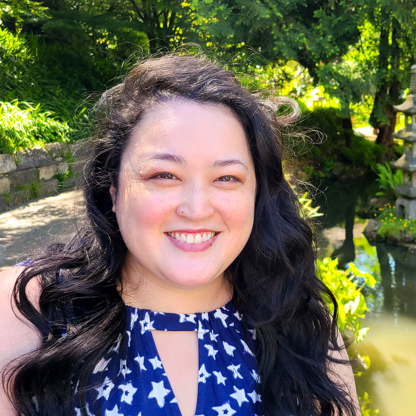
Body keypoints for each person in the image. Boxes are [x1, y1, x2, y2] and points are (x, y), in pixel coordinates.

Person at [0, 55, 360, 416]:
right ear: (114, 189)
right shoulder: (28, 308)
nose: (197, 208)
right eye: (164, 175)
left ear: (257, 194)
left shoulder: (300, 319)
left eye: (227, 178)